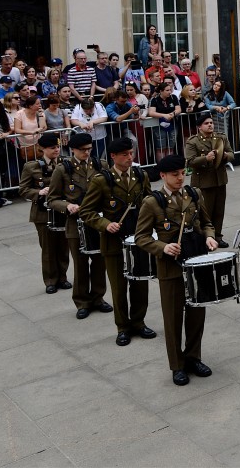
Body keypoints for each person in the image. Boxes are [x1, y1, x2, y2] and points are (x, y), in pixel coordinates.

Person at [136, 154, 218, 386]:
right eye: (175, 175)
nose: (181, 178)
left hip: (196, 262)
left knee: (196, 314)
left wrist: (210, 238)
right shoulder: (153, 202)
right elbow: (141, 237)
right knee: (173, 319)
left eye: (183, 173)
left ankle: (193, 357)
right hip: (170, 269)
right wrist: (162, 246)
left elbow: (206, 223)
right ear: (162, 176)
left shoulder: (194, 194)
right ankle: (177, 365)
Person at [79, 136, 156, 346]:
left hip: (138, 241)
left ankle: (139, 322)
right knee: (119, 288)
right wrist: (105, 224)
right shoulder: (101, 180)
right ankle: (123, 327)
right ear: (113, 156)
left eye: (131, 154)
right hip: (113, 243)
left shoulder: (141, 175)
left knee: (140, 285)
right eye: (124, 155)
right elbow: (86, 211)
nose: (130, 158)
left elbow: (151, 203)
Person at [46, 132, 111, 318]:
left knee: (100, 262)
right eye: (82, 150)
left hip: (98, 221)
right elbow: (52, 199)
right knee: (81, 264)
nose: (86, 153)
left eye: (89, 149)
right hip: (76, 223)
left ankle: (98, 297)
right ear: (73, 149)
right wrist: (68, 206)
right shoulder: (63, 169)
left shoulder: (100, 165)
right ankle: (82, 301)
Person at [21, 131, 70, 293]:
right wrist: (39, 193)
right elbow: (24, 190)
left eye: (57, 146)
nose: (56, 150)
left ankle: (62, 277)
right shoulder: (32, 166)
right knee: (48, 248)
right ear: (42, 149)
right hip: (43, 213)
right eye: (52, 148)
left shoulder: (65, 164)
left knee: (63, 246)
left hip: (62, 210)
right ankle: (50, 280)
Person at [184, 112, 234, 247]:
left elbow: (231, 154)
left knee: (219, 210)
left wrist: (224, 156)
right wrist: (205, 159)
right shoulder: (193, 141)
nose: (210, 125)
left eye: (211, 123)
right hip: (204, 182)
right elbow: (190, 161)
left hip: (219, 180)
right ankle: (205, 238)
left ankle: (218, 236)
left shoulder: (221, 138)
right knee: (205, 213)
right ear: (200, 127)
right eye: (206, 123)